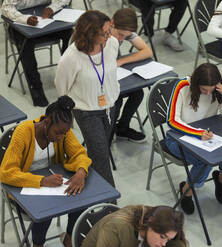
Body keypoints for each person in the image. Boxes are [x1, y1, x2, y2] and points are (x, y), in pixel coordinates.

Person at [0, 96, 92, 247]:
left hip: (51, 182)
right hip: (22, 186)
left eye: (64, 133)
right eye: (58, 133)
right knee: (46, 208)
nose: (61, 137)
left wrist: (81, 173)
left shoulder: (63, 130)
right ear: (46, 122)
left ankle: (69, 238)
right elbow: (6, 172)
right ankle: (38, 244)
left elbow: (79, 153)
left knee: (78, 195)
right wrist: (42, 181)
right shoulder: (23, 132)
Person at [55, 10, 119, 187]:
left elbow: (110, 71)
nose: (109, 36)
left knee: (98, 152)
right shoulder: (71, 58)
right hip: (86, 111)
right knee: (101, 156)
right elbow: (62, 88)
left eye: (109, 30)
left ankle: (88, 183)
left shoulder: (112, 44)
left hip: (110, 106)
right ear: (90, 34)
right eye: (104, 33)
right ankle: (111, 205)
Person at [166, 63, 222, 214]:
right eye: (204, 89)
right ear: (196, 83)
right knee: (204, 159)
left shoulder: (220, 88)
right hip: (178, 137)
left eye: (210, 90)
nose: (207, 93)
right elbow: (172, 120)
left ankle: (221, 180)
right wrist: (196, 133)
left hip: (208, 135)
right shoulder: (182, 86)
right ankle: (187, 191)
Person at [1, 0, 72, 107]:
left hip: (46, 19)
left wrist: (52, 8)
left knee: (71, 34)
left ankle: (69, 75)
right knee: (26, 44)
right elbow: (6, 9)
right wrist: (25, 19)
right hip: (20, 22)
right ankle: (36, 88)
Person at [111, 8, 153, 142]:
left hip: (114, 72)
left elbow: (147, 52)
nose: (122, 39)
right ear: (111, 23)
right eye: (120, 34)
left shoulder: (124, 30)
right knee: (115, 99)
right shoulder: (100, 34)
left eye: (126, 36)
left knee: (138, 93)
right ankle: (108, 132)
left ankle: (122, 129)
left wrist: (121, 61)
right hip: (97, 79)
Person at [81, 205, 187, 247]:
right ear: (150, 222)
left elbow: (178, 244)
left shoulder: (156, 218)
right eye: (162, 237)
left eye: (169, 239)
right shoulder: (116, 228)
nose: (164, 244)